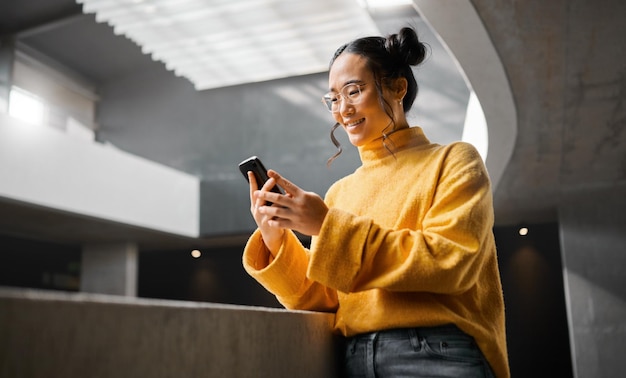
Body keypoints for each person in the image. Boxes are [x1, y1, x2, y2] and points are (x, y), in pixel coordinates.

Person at [242, 26, 509, 378]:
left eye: (353, 91)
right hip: (354, 358)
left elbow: (449, 262)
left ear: (398, 87)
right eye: (334, 98)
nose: (342, 109)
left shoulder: (455, 160)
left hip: (437, 353)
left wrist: (325, 226)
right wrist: (276, 239)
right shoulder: (340, 193)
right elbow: (325, 300)